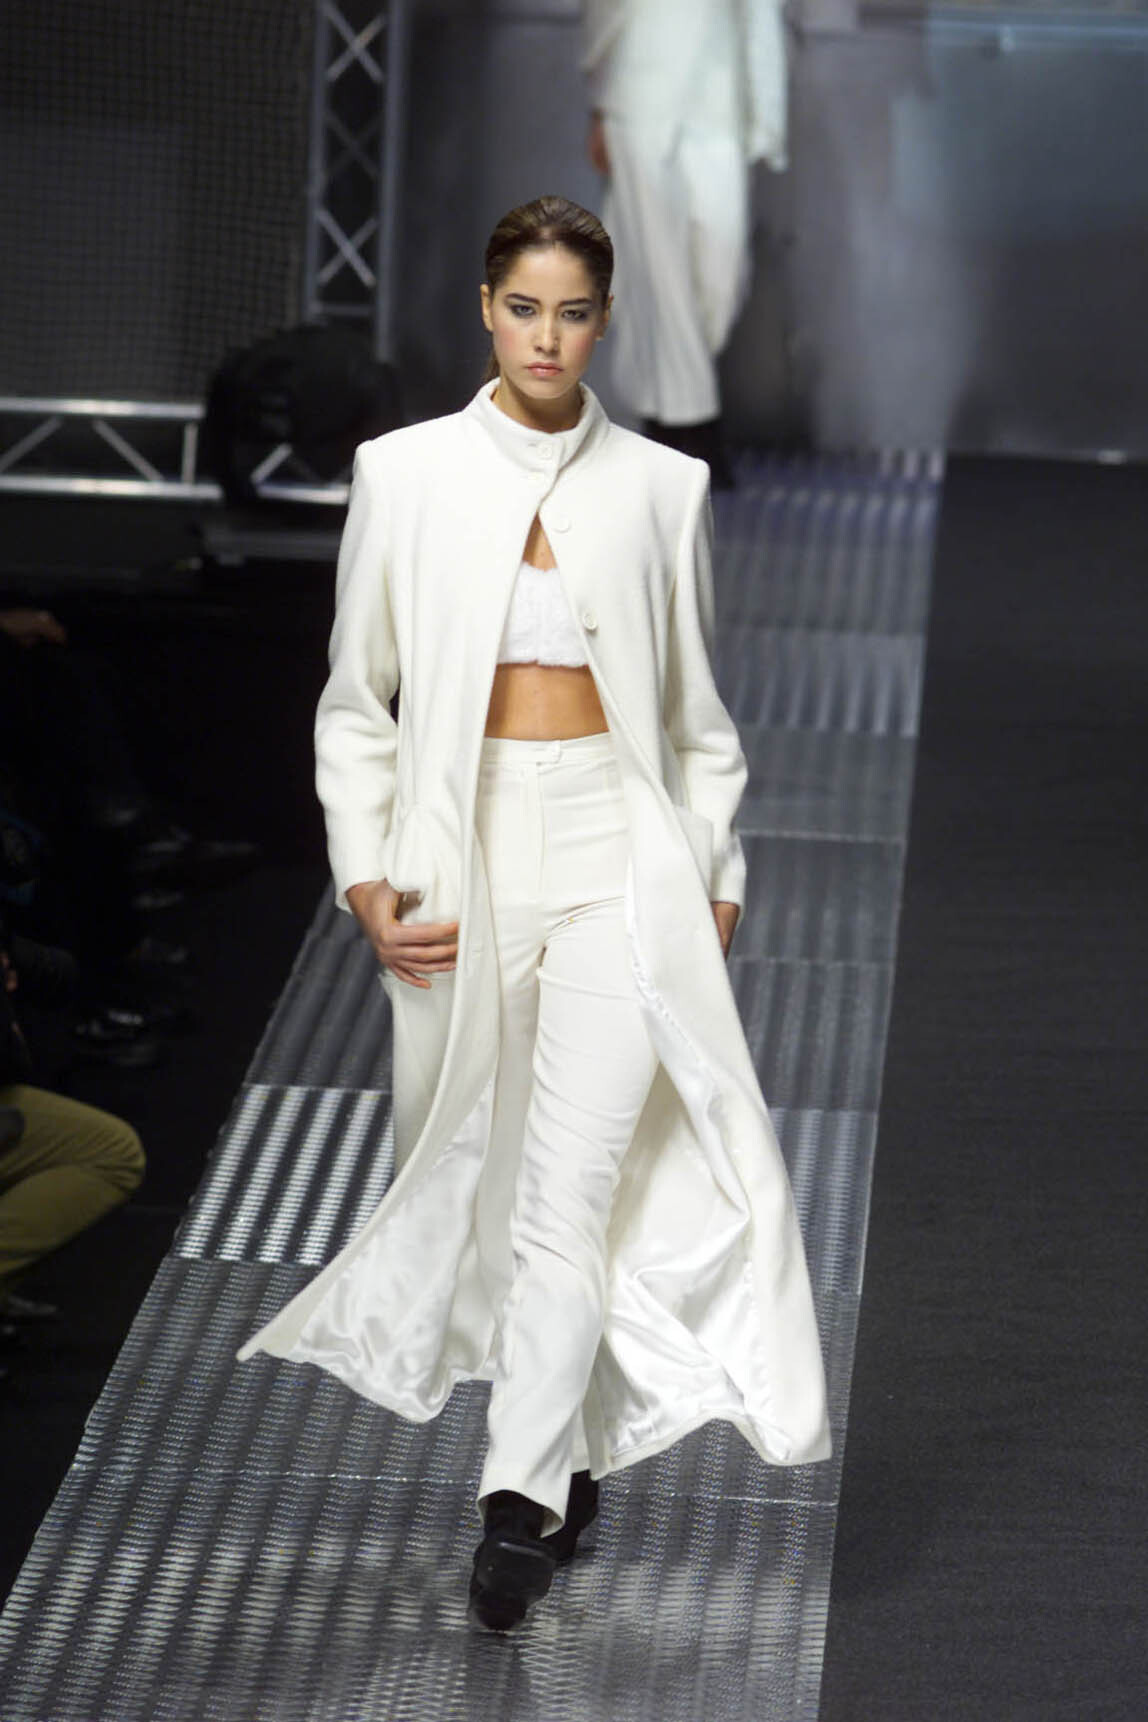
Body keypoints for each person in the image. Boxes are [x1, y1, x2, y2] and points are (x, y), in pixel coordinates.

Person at [238, 195, 829, 1632]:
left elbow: (696, 720)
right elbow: (355, 704)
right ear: (486, 310)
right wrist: (365, 875)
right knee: (480, 1171)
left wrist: (714, 872)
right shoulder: (405, 473)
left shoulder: (662, 489)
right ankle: (559, 1453)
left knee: (571, 1187)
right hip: (463, 855)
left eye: (571, 313)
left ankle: (516, 1502)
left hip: (620, 853)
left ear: (603, 321)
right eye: (523, 308)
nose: (546, 337)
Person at [582, 0, 788, 482]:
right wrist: (600, 101)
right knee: (662, 271)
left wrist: (767, 114)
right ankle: (694, 433)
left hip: (720, 100)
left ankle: (661, 414)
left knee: (721, 273)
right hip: (638, 91)